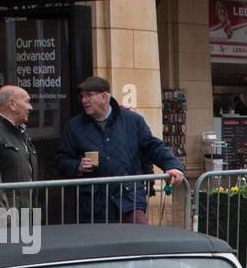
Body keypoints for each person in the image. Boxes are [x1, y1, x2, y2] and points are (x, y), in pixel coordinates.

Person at [56, 76, 183, 223]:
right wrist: (77, 166)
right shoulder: (74, 127)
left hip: (129, 200)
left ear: (104, 96)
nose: (84, 100)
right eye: (82, 96)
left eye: (89, 95)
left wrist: (172, 166)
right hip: (94, 205)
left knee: (137, 242)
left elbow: (153, 146)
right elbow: (61, 160)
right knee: (100, 245)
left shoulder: (132, 120)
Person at [0, 85, 38, 193]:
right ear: (12, 104)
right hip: (7, 207)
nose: (30, 107)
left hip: (29, 205)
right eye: (27, 102)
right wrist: (0, 208)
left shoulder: (21, 130)